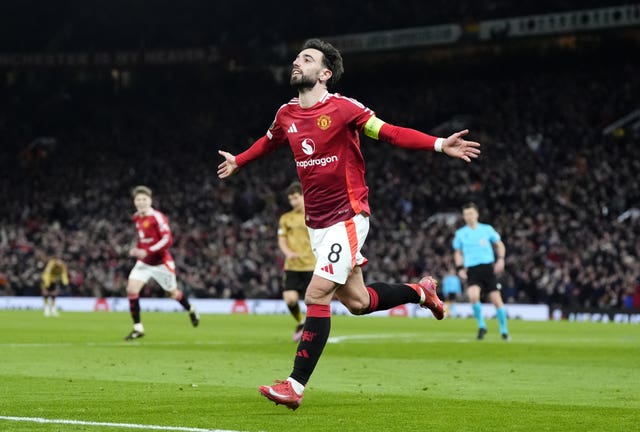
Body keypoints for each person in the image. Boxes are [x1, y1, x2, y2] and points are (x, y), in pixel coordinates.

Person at [217, 38, 480, 410]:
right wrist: (239, 161)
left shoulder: (344, 109)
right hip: (317, 225)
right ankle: (421, 292)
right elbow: (268, 141)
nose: (297, 62)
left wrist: (439, 144)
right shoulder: (286, 114)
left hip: (348, 216)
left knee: (316, 295)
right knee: (357, 302)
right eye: (296, 58)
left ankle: (295, 385)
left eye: (306, 59)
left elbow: (389, 132)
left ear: (325, 74)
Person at [124, 185, 199, 340]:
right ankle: (138, 328)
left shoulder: (158, 217)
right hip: (144, 263)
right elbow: (143, 239)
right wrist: (137, 249)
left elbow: (167, 240)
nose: (141, 202)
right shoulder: (136, 217)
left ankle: (191, 309)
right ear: (134, 202)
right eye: (138, 199)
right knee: (131, 289)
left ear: (150, 201)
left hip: (161, 264)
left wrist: (147, 250)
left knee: (173, 293)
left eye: (144, 199)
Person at [453, 202, 509, 341]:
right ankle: (482, 326)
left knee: (496, 300)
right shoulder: (460, 233)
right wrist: (459, 268)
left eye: (471, 213)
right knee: (473, 296)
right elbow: (458, 253)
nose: (469, 217)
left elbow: (499, 244)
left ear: (477, 214)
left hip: (487, 268)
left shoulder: (487, 229)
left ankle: (504, 331)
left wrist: (501, 259)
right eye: (466, 214)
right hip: (472, 269)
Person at [277, 181, 316, 342]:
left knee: (313, 301)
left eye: (296, 198)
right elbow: (281, 240)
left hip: (311, 264)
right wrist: (288, 253)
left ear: (303, 196)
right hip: (292, 266)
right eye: (291, 199)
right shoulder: (286, 218)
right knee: (290, 299)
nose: (293, 202)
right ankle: (301, 321)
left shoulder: (314, 214)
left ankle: (314, 331)